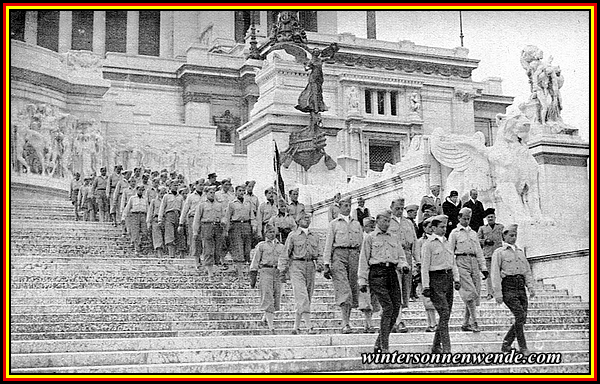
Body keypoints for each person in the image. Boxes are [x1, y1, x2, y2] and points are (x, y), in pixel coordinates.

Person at [358, 211, 410, 353]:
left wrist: (404, 265)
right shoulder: (370, 238)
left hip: (392, 272)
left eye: (388, 221)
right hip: (377, 274)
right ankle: (385, 347)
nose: (386, 223)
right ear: (378, 221)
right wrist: (362, 280)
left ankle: (379, 341)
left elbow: (401, 256)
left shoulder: (394, 238)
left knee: (396, 306)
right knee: (387, 307)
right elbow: (364, 260)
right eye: (384, 221)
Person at [491, 224, 536, 356]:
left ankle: (506, 344)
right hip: (508, 286)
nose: (513, 238)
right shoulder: (499, 253)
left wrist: (531, 287)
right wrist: (497, 293)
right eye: (511, 235)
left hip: (520, 286)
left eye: (515, 235)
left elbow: (527, 271)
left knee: (522, 317)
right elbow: (495, 274)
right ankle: (523, 347)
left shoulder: (520, 252)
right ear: (504, 236)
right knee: (520, 315)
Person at [421, 215, 461, 354]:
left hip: (448, 278)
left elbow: (453, 263)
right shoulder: (428, 245)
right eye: (441, 227)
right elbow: (424, 267)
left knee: (447, 314)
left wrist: (456, 279)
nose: (444, 229)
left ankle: (436, 346)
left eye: (445, 227)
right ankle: (447, 349)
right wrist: (425, 286)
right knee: (443, 312)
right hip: (435, 280)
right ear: (433, 228)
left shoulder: (448, 243)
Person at [323, 197, 364, 334]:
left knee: (353, 288)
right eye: (345, 205)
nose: (347, 208)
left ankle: (348, 320)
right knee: (343, 288)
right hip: (339, 255)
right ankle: (345, 323)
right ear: (339, 207)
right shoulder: (334, 224)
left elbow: (362, 245)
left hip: (354, 255)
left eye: (349, 205)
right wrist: (326, 263)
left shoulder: (357, 224)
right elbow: (328, 244)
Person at [279, 212, 323, 335]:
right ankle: (309, 326)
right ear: (298, 221)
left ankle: (296, 326)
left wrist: (320, 264)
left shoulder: (314, 236)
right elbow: (285, 253)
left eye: (309, 218)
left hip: (310, 266)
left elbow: (319, 252)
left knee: (307, 296)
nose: (307, 220)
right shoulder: (292, 236)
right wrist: (282, 270)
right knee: (301, 294)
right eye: (304, 218)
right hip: (296, 266)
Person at [448, 207, 489, 333]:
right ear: (459, 218)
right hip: (461, 261)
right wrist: (454, 271)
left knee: (475, 293)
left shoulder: (473, 233)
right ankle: (474, 322)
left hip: (473, 262)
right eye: (464, 218)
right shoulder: (454, 233)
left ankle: (465, 322)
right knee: (469, 292)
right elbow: (450, 253)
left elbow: (479, 251)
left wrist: (483, 267)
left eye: (468, 218)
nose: (466, 221)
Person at [388, 198, 417, 333]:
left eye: (401, 208)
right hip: (393, 258)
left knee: (405, 288)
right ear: (392, 208)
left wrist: (418, 259)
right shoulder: (388, 222)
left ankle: (396, 318)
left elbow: (414, 242)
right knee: (396, 288)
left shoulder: (408, 223)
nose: (399, 211)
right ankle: (397, 321)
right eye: (397, 208)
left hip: (407, 255)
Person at [249, 224, 284, 334]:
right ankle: (271, 327)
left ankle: (265, 318)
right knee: (267, 295)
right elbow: (255, 261)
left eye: (273, 231)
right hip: (265, 271)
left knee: (276, 296)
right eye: (269, 232)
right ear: (265, 233)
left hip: (277, 272)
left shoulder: (281, 247)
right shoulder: (261, 246)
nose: (272, 234)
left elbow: (284, 260)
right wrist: (253, 276)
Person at [223, 185, 256, 279]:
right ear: (236, 192)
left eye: (243, 191)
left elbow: (252, 216)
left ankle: (246, 268)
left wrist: (253, 226)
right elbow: (227, 217)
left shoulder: (248, 203)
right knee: (238, 248)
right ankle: (240, 272)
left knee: (247, 248)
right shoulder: (232, 203)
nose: (242, 192)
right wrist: (226, 230)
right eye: (240, 191)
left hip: (246, 225)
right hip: (236, 226)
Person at [193, 186, 224, 278]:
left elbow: (223, 216)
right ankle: (210, 271)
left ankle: (215, 265)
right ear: (206, 193)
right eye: (210, 192)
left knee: (217, 248)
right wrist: (195, 231)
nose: (212, 194)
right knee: (208, 248)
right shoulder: (202, 205)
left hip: (217, 227)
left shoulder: (219, 205)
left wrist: (223, 221)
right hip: (206, 226)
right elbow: (197, 219)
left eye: (214, 192)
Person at [414, 216, 438, 332]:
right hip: (423, 272)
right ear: (424, 228)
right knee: (426, 299)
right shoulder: (420, 241)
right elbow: (417, 256)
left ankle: (432, 323)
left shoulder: (436, 240)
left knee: (433, 298)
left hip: (434, 271)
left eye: (432, 227)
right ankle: (432, 323)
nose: (431, 229)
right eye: (428, 227)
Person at [357, 216, 380, 333]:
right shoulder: (361, 238)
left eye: (373, 226)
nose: (371, 228)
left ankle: (368, 323)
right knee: (365, 297)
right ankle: (369, 323)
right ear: (364, 227)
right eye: (369, 226)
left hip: (375, 270)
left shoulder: (375, 238)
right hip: (364, 269)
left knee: (373, 297)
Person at [478, 208, 504, 300]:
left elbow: (505, 238)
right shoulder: (482, 228)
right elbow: (477, 240)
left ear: (495, 217)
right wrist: (485, 241)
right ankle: (490, 293)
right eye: (488, 217)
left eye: (492, 217)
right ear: (486, 218)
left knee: (499, 273)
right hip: (488, 254)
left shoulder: (500, 227)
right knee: (488, 275)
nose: (490, 219)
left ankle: (500, 292)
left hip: (499, 254)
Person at [158, 183, 184, 258]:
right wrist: (160, 219)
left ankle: (180, 253)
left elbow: (183, 208)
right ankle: (171, 254)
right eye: (174, 185)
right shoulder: (166, 196)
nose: (176, 187)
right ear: (170, 186)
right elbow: (162, 208)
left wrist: (182, 219)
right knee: (169, 234)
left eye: (177, 185)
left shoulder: (180, 197)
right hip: (169, 215)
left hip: (178, 215)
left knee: (179, 234)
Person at [180, 180, 204, 262]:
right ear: (196, 185)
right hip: (193, 218)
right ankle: (196, 258)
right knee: (194, 237)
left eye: (203, 185)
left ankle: (203, 257)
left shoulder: (205, 195)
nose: (202, 186)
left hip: (203, 219)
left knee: (204, 238)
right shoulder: (191, 196)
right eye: (200, 185)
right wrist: (181, 222)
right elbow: (185, 209)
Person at [122, 185, 149, 256]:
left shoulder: (145, 199)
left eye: (142, 190)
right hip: (135, 215)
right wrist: (123, 217)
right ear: (136, 190)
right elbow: (127, 208)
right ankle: (137, 249)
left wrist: (148, 218)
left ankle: (140, 244)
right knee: (135, 232)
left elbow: (148, 209)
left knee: (144, 232)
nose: (141, 191)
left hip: (143, 215)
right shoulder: (132, 198)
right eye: (139, 190)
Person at [405, 204, 420, 301]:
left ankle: (412, 292)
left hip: (413, 249)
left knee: (414, 273)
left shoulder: (413, 223)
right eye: (414, 212)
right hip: (409, 250)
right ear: (409, 212)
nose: (415, 214)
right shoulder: (407, 223)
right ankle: (410, 293)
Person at [147, 186, 166, 258]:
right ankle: (159, 251)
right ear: (158, 193)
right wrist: (148, 222)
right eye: (161, 193)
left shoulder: (166, 200)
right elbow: (150, 212)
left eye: (164, 193)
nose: (162, 195)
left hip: (165, 219)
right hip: (156, 219)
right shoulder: (154, 201)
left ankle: (165, 251)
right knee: (157, 236)